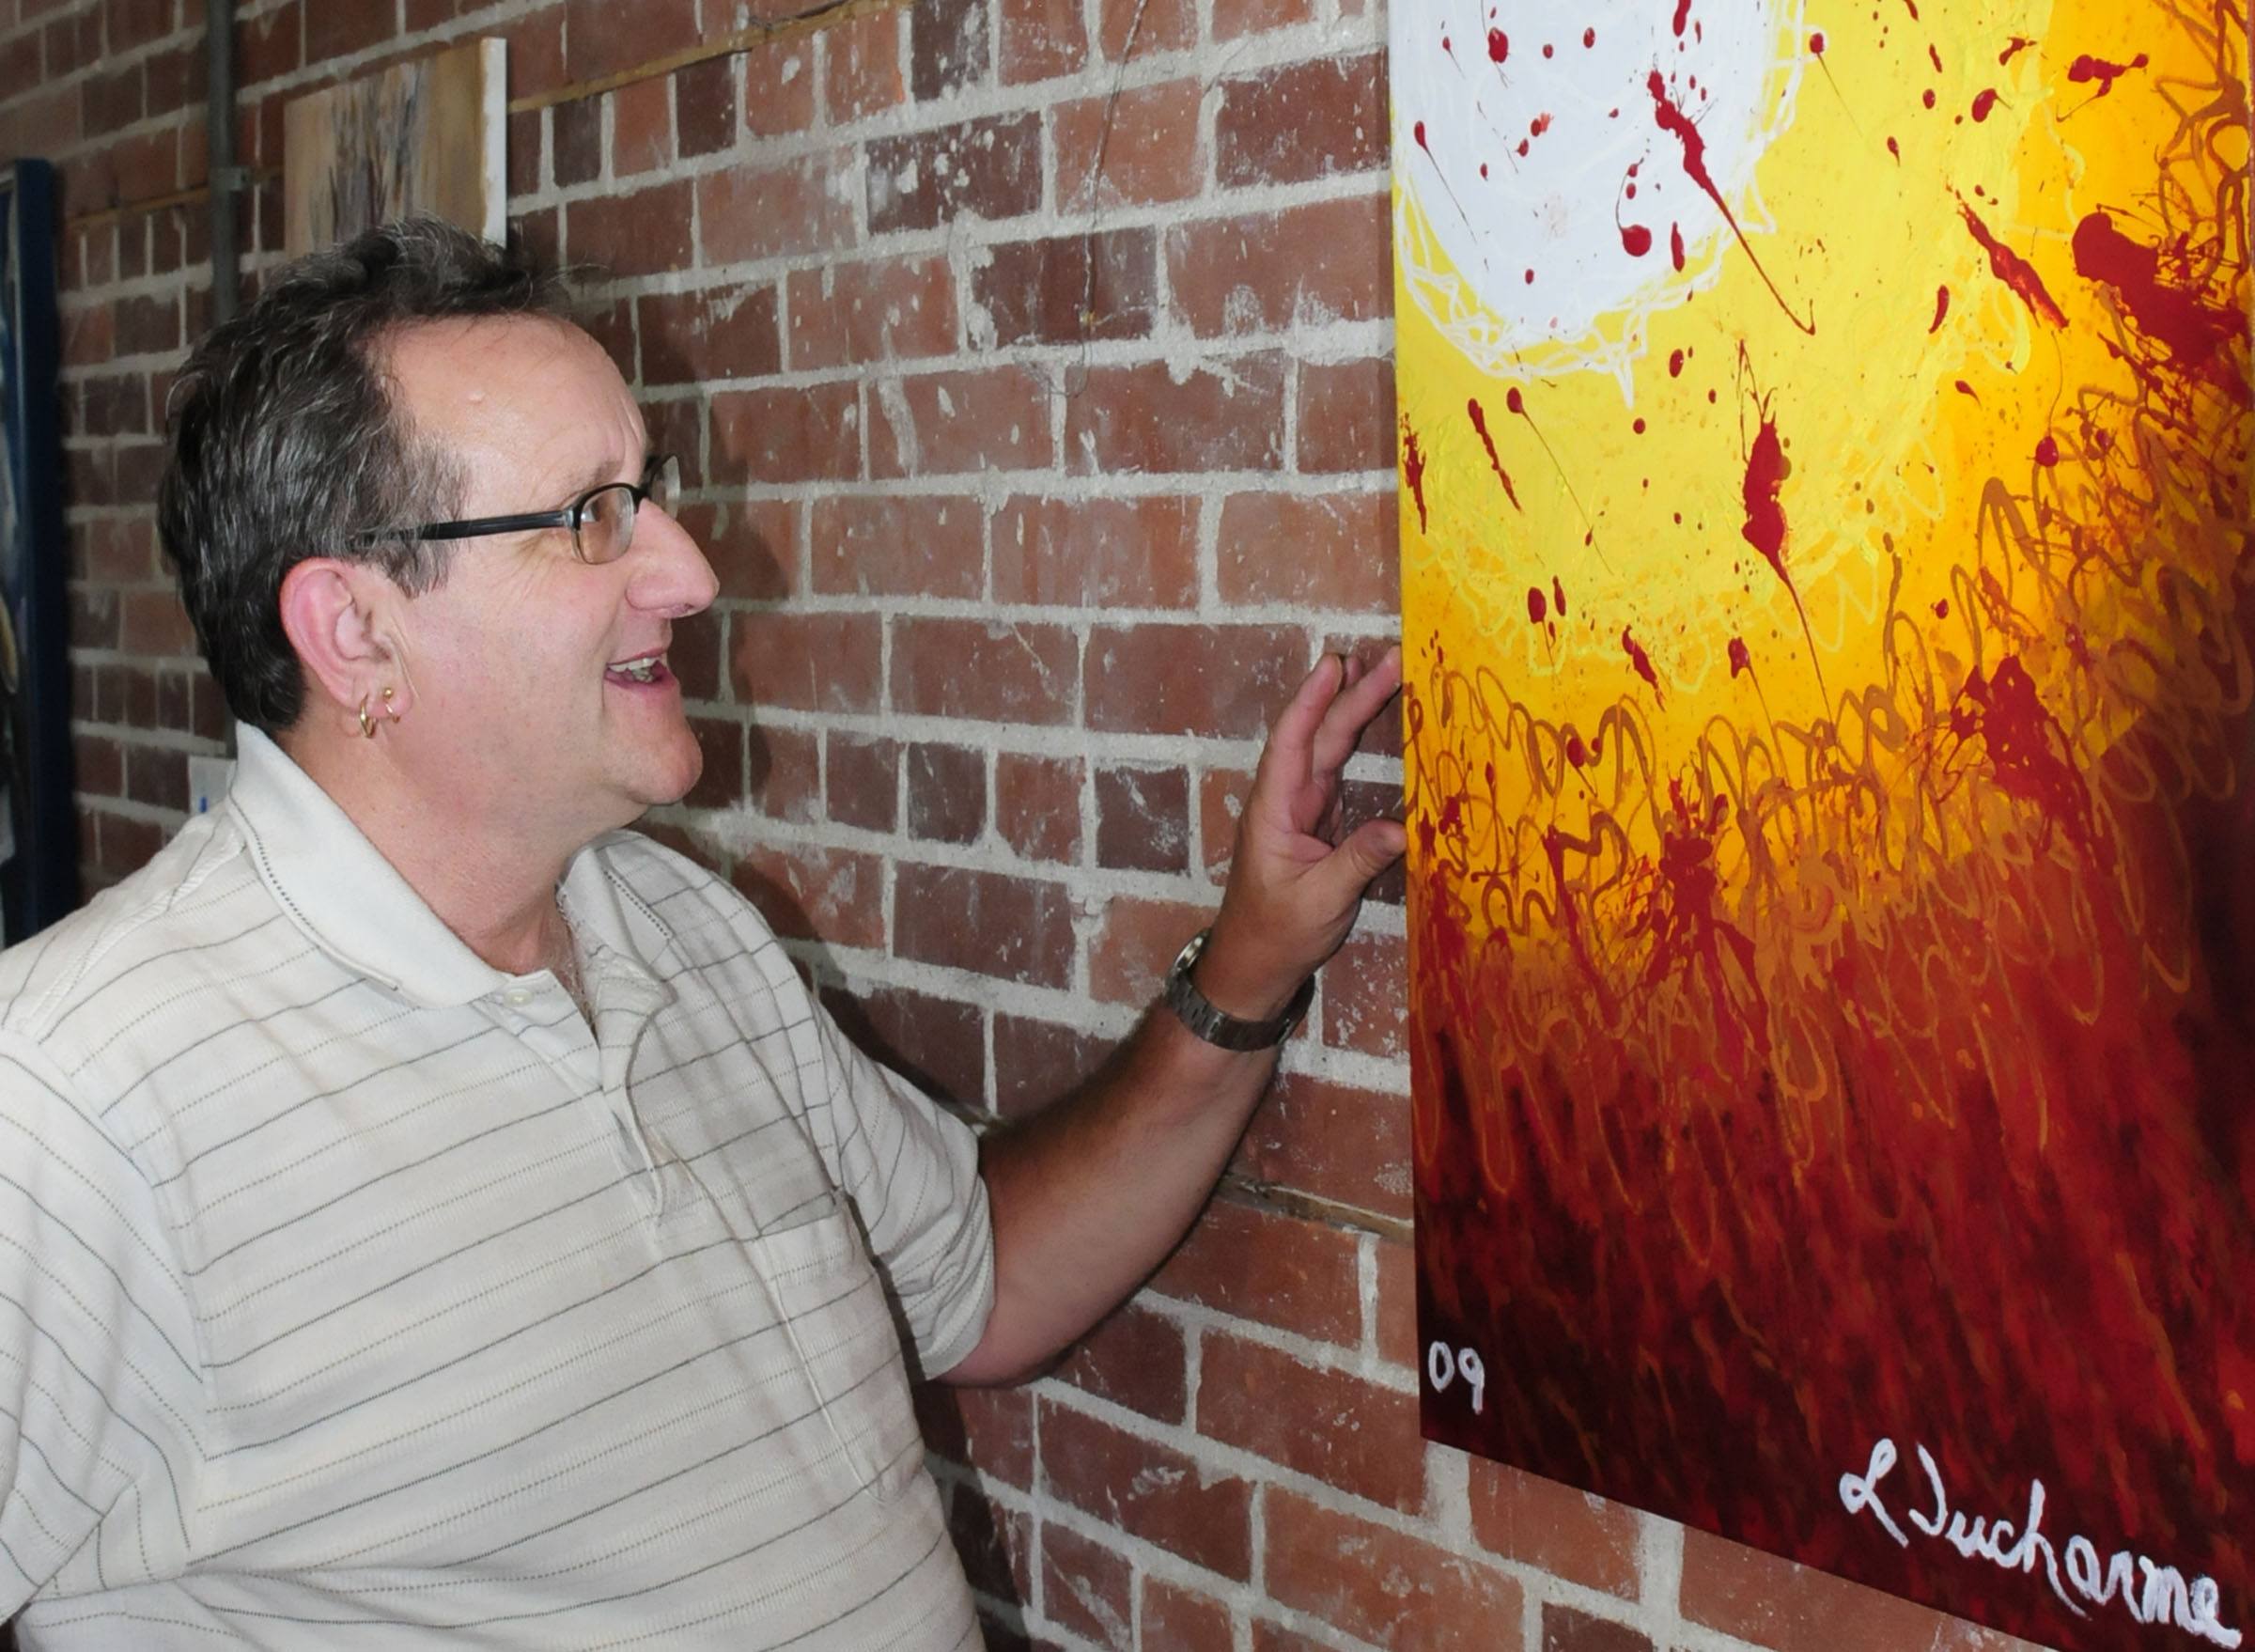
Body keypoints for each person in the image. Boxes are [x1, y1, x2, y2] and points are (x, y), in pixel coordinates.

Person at [0, 219, 1403, 1648]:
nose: (688, 569)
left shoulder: (678, 924)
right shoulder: (76, 1096)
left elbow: (981, 1279)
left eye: (649, 492)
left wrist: (1248, 965)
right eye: (592, 517)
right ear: (354, 632)